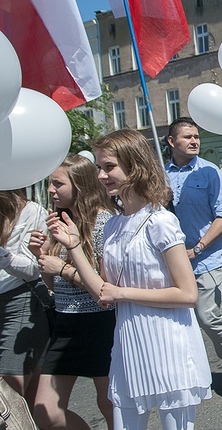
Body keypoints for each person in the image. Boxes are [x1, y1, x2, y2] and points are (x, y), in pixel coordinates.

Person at [54, 129, 212, 429]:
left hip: (168, 340)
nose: (101, 175)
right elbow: (103, 291)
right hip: (129, 341)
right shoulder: (113, 225)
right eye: (100, 167)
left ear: (135, 166)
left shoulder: (160, 221)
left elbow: (187, 294)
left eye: (108, 166)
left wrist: (123, 294)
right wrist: (73, 246)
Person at [32, 155, 116, 429]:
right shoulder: (56, 221)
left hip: (101, 323)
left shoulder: (103, 222)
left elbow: (105, 288)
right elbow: (51, 284)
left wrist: (63, 269)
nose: (50, 190)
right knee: (46, 412)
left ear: (79, 185)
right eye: (49, 184)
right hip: (65, 323)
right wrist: (42, 257)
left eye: (57, 183)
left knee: (109, 404)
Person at [164, 117, 222, 391]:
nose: (195, 141)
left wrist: (197, 248)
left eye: (197, 136)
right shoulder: (162, 176)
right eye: (187, 137)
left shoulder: (210, 172)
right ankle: (190, 371)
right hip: (172, 260)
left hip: (205, 257)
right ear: (171, 142)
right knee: (179, 321)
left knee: (207, 315)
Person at [0, 189, 49, 406]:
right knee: (32, 406)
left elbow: (32, 269)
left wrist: (3, 256)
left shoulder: (31, 211)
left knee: (8, 397)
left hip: (21, 301)